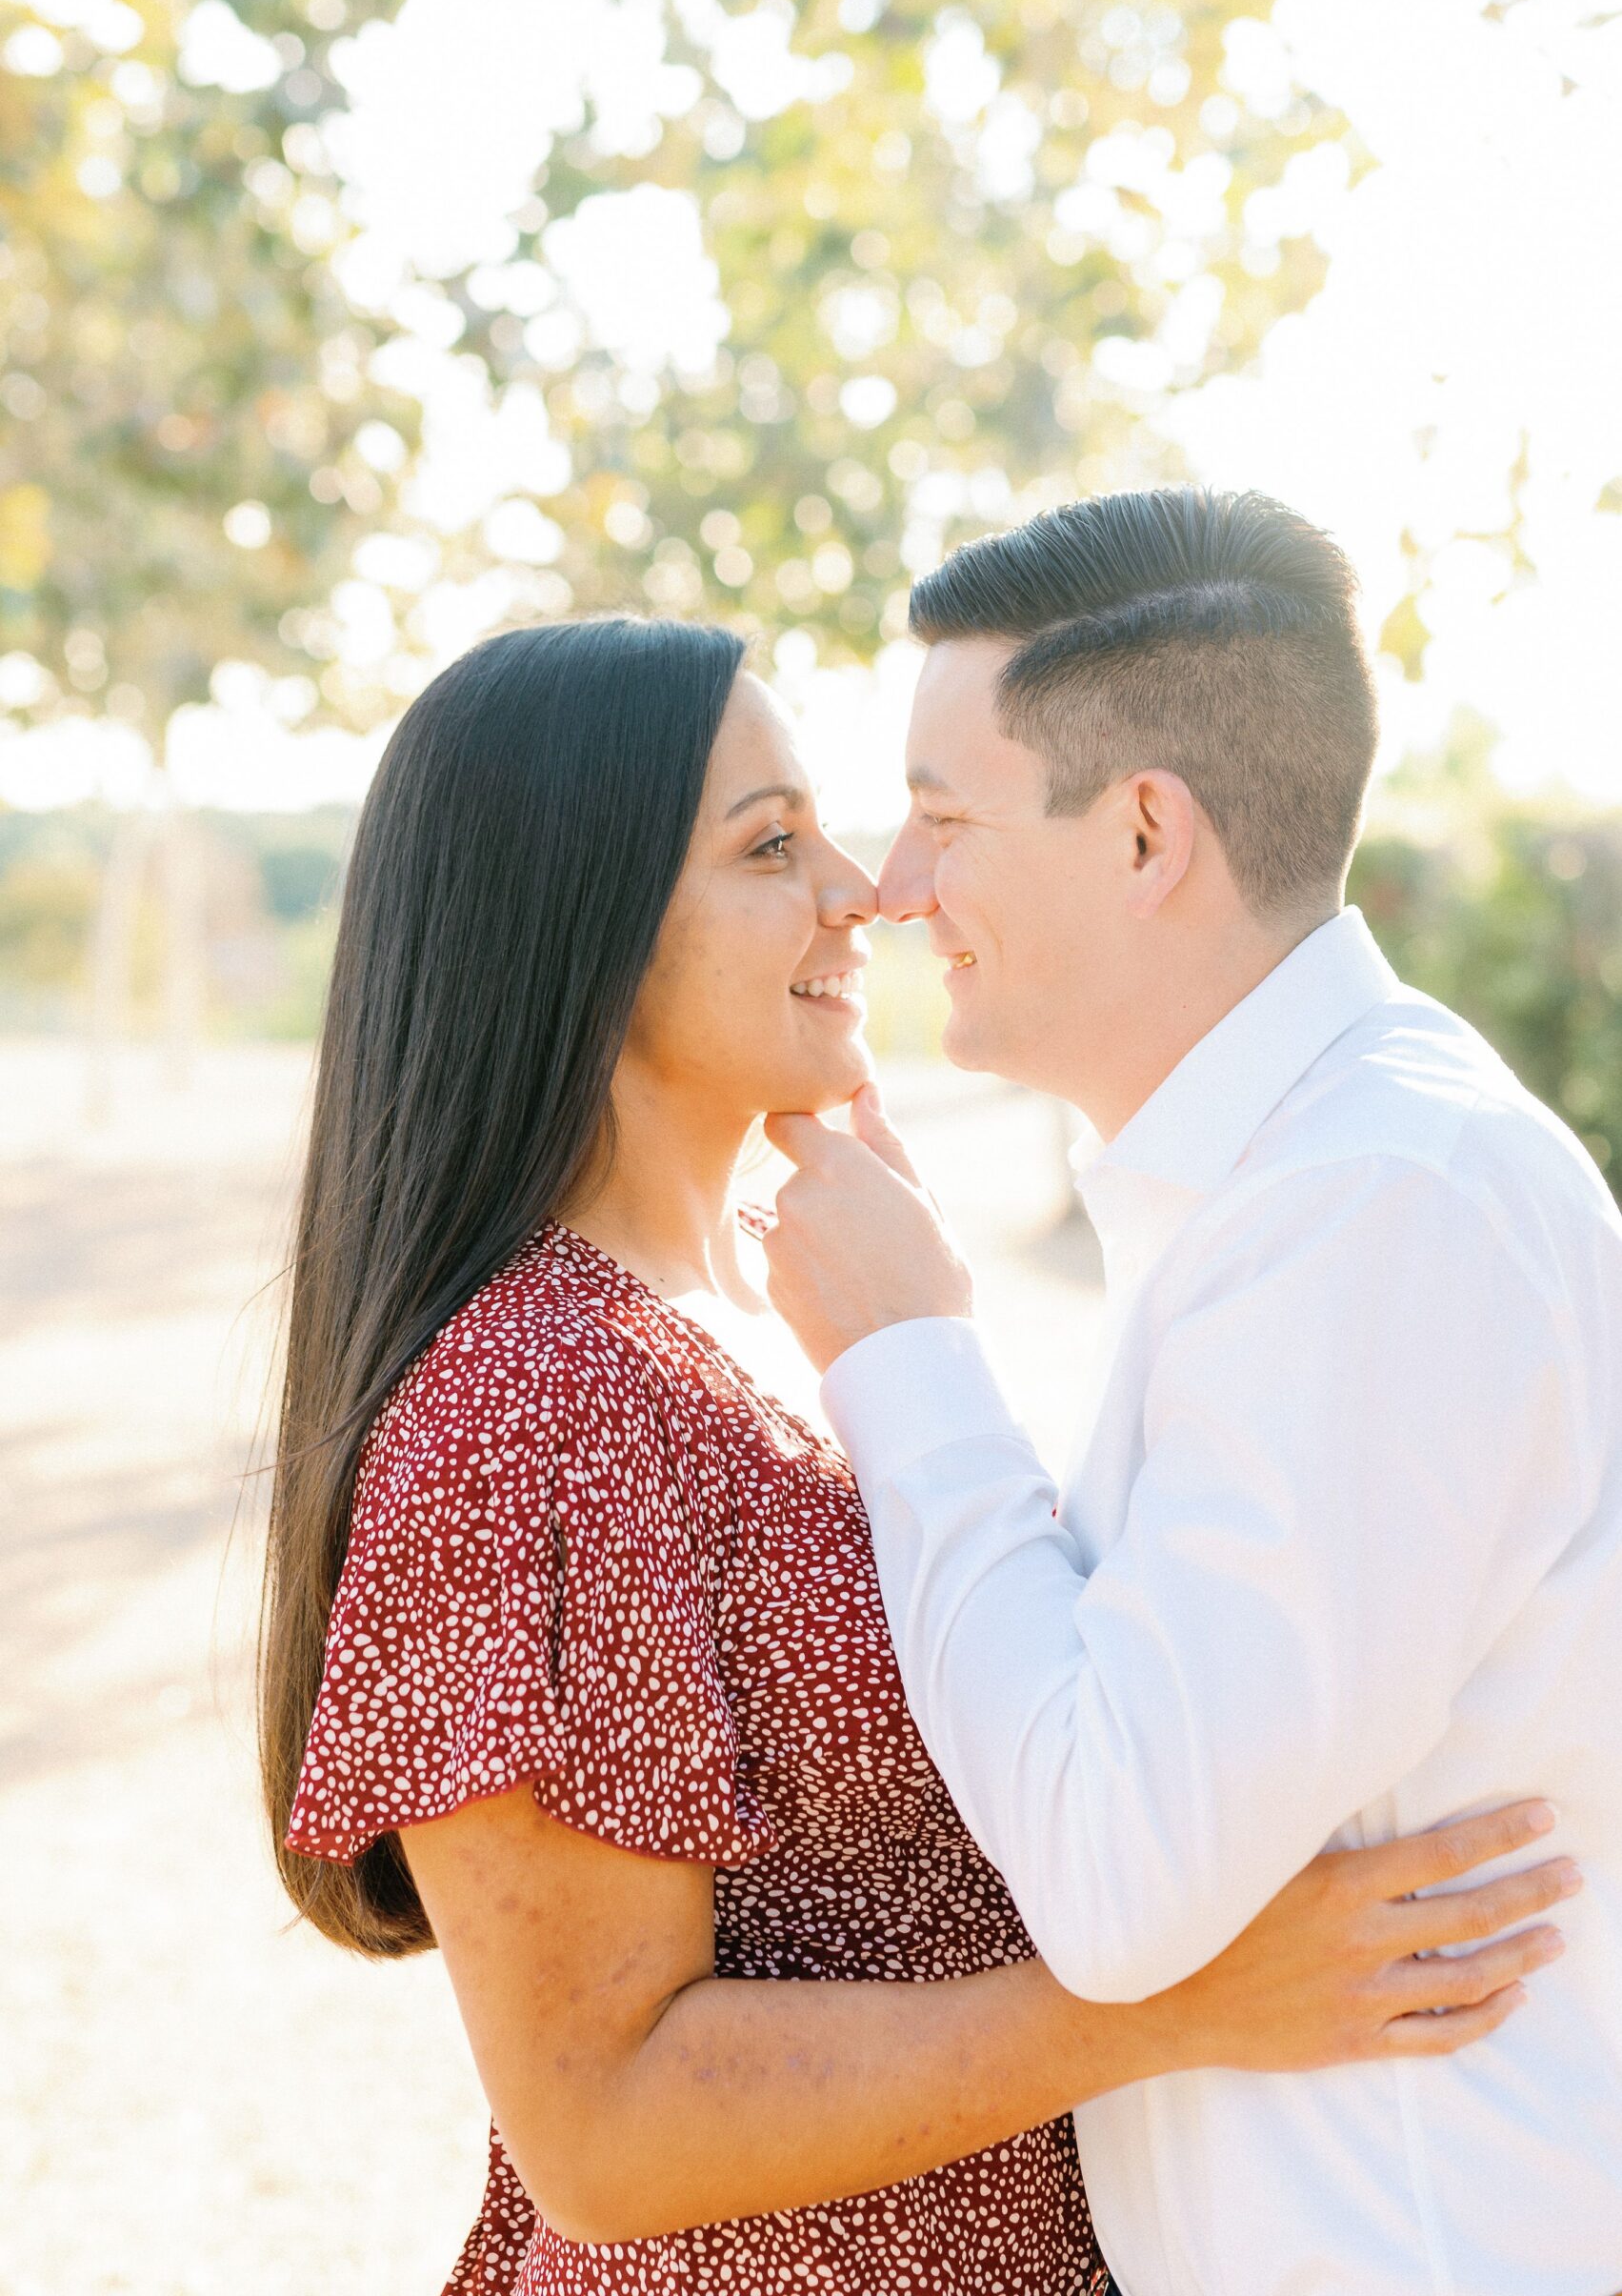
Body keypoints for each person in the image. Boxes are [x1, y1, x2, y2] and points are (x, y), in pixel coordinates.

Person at [259, 616, 1570, 2296]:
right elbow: (598, 2125)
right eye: (771, 845)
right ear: (576, 924)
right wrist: (1182, 2005)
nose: (862, 893)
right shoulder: (531, 1400)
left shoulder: (777, 1306)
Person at [761, 487, 1622, 2296]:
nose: (896, 891)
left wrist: (908, 1361)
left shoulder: (1374, 1207)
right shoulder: (1313, 1183)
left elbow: (1117, 1874)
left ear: (1148, 829)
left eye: (942, 816)